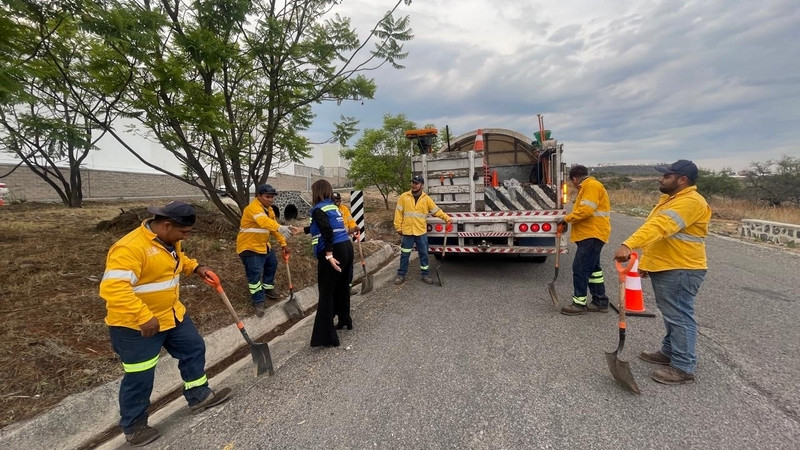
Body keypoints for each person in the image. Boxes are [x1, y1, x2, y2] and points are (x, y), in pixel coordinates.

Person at [99, 201, 231, 447]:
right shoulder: (129, 248)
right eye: (184, 232)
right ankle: (134, 426)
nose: (186, 236)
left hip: (171, 315)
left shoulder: (168, 240)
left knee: (193, 348)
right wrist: (143, 316)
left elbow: (176, 261)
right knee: (140, 376)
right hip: (136, 325)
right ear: (166, 225)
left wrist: (196, 267)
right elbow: (113, 289)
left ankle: (199, 396)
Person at [613, 160, 711, 385]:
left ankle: (683, 366)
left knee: (679, 315)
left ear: (682, 179)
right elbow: (661, 237)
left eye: (667, 176)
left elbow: (659, 227)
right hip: (669, 265)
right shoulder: (672, 200)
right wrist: (649, 264)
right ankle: (669, 352)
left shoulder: (690, 201)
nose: (661, 179)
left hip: (681, 267)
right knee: (671, 313)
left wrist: (629, 244)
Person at [299, 180, 354, 346]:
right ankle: (345, 319)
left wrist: (329, 255)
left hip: (333, 251)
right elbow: (324, 226)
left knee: (326, 292)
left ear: (317, 192)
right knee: (342, 286)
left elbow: (327, 231)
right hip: (346, 247)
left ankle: (326, 337)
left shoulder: (318, 209)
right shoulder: (332, 207)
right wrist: (301, 230)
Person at [558, 165, 612, 315]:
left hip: (592, 234)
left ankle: (579, 304)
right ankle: (600, 301)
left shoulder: (591, 186)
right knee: (594, 270)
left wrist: (566, 219)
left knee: (580, 268)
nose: (573, 184)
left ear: (575, 179)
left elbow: (586, 211)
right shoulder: (589, 186)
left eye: (572, 182)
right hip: (592, 234)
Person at [236, 184, 295, 317]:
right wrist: (280, 227)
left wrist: (283, 243)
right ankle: (258, 300)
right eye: (267, 197)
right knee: (254, 275)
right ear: (259, 196)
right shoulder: (253, 208)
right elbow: (264, 222)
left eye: (272, 197)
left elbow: (273, 228)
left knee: (272, 264)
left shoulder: (269, 210)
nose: (270, 199)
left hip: (263, 246)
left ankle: (268, 288)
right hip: (249, 247)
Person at [393, 174, 451, 285]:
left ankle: (425, 275)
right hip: (407, 231)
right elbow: (398, 213)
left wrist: (447, 218)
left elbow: (436, 211)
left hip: (420, 232)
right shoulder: (404, 197)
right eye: (413, 183)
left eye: (416, 183)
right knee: (405, 255)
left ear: (422, 185)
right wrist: (398, 227)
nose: (414, 185)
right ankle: (401, 275)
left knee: (424, 254)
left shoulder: (426, 199)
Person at [333, 191, 360, 295]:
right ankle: (338, 289)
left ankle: (348, 286)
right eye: (334, 200)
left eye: (338, 200)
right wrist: (348, 231)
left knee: (349, 264)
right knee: (339, 265)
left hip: (346, 240)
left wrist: (354, 227)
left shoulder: (344, 209)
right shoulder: (330, 211)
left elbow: (350, 221)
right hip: (336, 242)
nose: (336, 202)